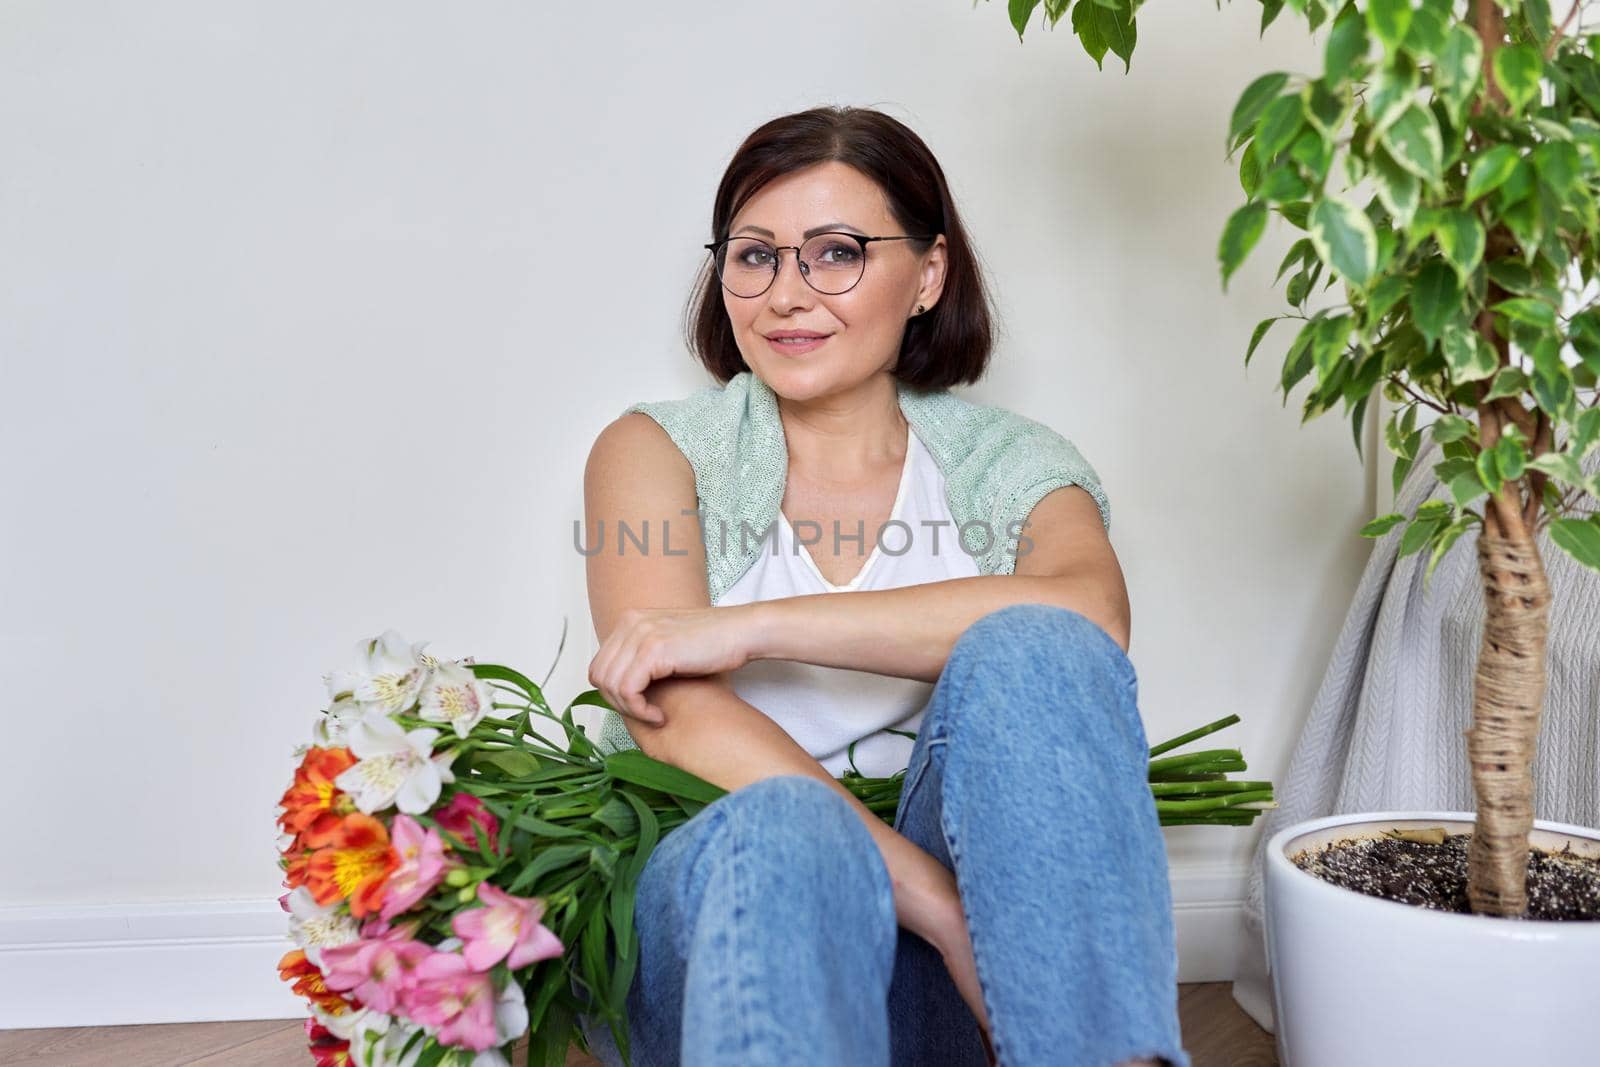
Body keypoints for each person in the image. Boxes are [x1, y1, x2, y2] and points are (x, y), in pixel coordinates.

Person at [576, 105, 1189, 1067]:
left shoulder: (1011, 461)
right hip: (736, 948)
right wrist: (942, 907)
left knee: (1039, 645)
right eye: (755, 255)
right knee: (784, 828)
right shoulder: (655, 451)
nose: (786, 294)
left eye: (835, 253)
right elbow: (675, 714)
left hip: (969, 984)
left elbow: (1090, 616)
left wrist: (749, 628)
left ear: (929, 274)